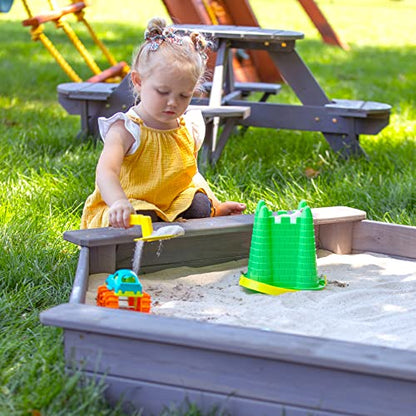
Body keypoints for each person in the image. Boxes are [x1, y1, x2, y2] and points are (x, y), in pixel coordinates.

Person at [81, 17, 246, 229]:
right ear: (138, 81)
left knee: (199, 205)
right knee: (144, 218)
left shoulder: (187, 127)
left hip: (171, 204)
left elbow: (191, 175)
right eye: (163, 92)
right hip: (128, 206)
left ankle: (178, 240)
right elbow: (106, 171)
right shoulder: (126, 129)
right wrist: (118, 202)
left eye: (183, 95)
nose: (172, 102)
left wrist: (216, 206)